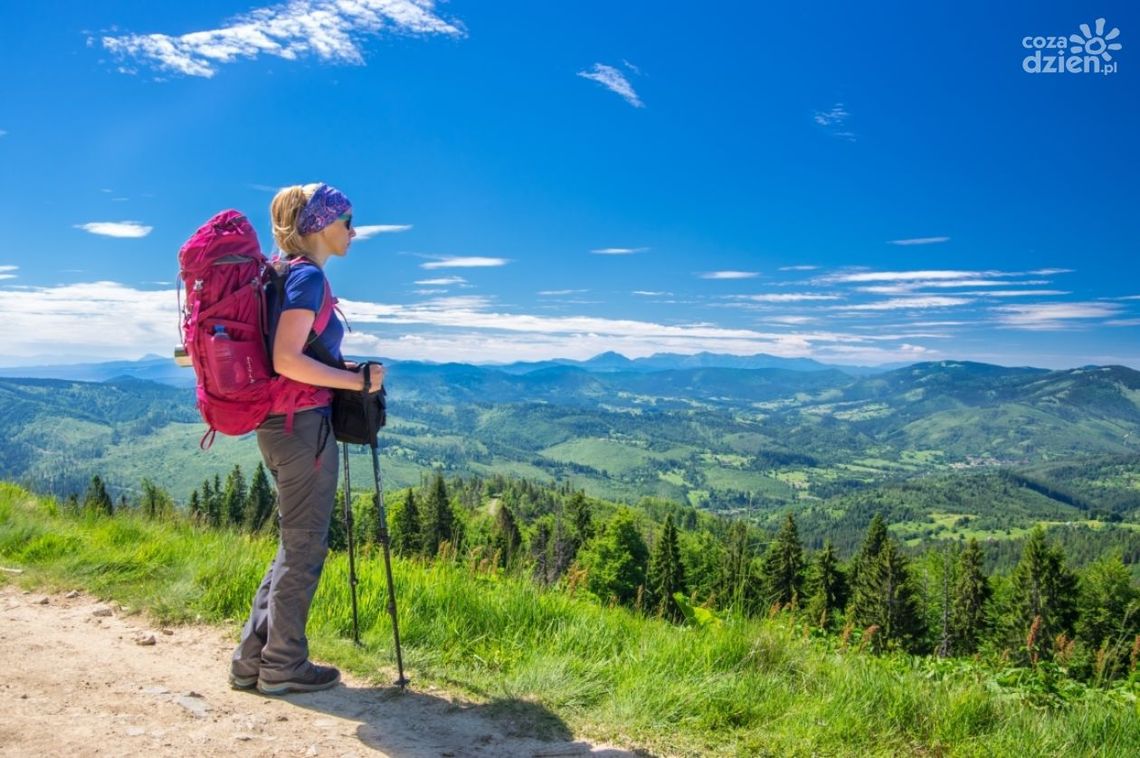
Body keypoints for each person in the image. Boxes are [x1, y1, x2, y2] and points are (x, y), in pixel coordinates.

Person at [229, 182, 385, 695]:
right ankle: (284, 665)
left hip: (277, 427)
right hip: (302, 428)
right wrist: (357, 380)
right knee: (304, 548)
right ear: (319, 225)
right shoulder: (307, 279)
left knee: (291, 544)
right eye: (345, 221)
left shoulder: (280, 275)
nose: (353, 231)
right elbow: (287, 359)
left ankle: (253, 660)